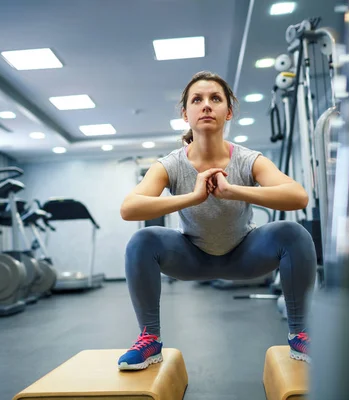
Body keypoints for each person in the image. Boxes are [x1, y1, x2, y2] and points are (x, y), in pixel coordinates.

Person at [117, 71, 317, 371]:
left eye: (215, 99)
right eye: (197, 100)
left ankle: (299, 333)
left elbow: (298, 196)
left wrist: (233, 190)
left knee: (293, 233)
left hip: (245, 255)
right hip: (190, 257)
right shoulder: (171, 164)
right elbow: (129, 208)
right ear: (186, 114)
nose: (206, 105)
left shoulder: (248, 159)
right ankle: (150, 339)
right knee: (142, 241)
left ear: (229, 111)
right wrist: (193, 197)